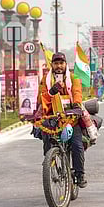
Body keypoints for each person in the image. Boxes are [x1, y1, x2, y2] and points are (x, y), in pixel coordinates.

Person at [38, 52, 88, 188]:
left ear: (65, 64)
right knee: (47, 143)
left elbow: (77, 93)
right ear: (52, 65)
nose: (59, 66)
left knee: (77, 145)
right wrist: (51, 93)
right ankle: (50, 165)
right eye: (56, 63)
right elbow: (41, 99)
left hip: (71, 118)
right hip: (52, 119)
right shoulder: (45, 80)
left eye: (61, 63)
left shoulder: (73, 78)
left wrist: (77, 105)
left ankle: (80, 174)